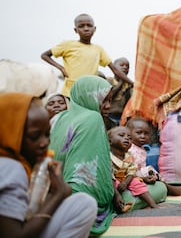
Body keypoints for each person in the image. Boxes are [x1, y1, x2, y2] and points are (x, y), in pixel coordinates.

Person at [0, 92, 97, 238]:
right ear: (9, 132)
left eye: (47, 135)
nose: (45, 143)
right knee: (84, 205)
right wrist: (58, 195)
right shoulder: (12, 168)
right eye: (34, 136)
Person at [49, 75, 116, 235]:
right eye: (103, 100)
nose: (108, 107)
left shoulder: (60, 118)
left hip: (53, 193)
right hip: (81, 201)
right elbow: (98, 178)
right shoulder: (93, 118)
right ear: (88, 96)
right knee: (157, 189)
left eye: (110, 101)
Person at [40, 13, 133, 97]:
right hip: (70, 93)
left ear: (94, 29)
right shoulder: (67, 45)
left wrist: (133, 83)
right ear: (75, 30)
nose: (86, 28)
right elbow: (44, 55)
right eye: (81, 26)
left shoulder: (98, 49)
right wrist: (61, 68)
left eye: (89, 25)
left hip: (89, 95)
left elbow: (115, 70)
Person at [127, 116, 181, 196]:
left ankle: (166, 186)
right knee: (150, 171)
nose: (143, 136)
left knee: (152, 172)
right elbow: (131, 169)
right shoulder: (131, 149)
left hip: (139, 175)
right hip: (132, 175)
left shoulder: (141, 148)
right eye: (139, 133)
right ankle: (169, 188)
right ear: (129, 134)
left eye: (146, 133)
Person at [108, 126, 159, 213]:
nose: (126, 138)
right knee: (112, 183)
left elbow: (132, 171)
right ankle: (120, 205)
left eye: (129, 137)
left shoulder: (129, 155)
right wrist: (116, 193)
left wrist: (125, 182)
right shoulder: (108, 156)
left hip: (125, 179)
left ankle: (153, 204)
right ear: (109, 141)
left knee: (137, 183)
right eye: (121, 135)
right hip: (113, 179)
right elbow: (109, 174)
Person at [107, 57, 133, 127]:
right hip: (109, 116)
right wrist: (121, 82)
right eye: (122, 65)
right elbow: (110, 95)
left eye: (127, 67)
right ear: (114, 68)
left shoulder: (129, 85)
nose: (125, 67)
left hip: (122, 117)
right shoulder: (110, 80)